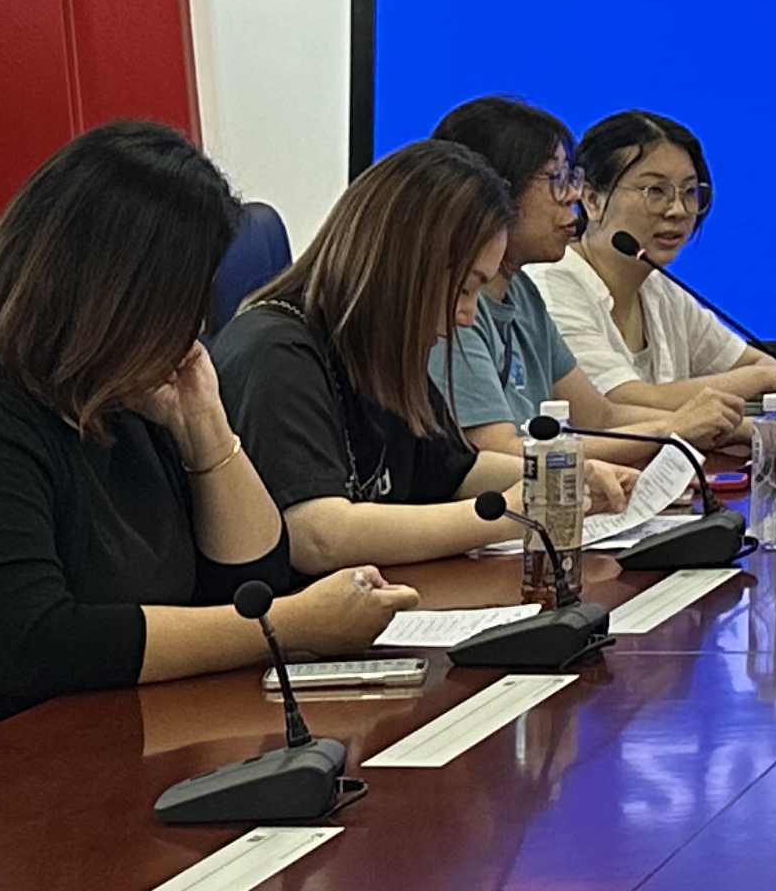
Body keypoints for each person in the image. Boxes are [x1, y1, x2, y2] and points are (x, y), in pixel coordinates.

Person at [0, 122, 415, 795]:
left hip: (40, 763)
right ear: (116, 298)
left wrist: (206, 431)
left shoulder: (117, 395)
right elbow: (38, 644)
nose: (193, 331)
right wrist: (285, 628)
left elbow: (248, 579)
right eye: (181, 304)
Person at [218, 141, 630, 573]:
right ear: (407, 264)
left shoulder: (381, 346)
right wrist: (513, 512)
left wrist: (562, 474)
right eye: (465, 289)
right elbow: (317, 534)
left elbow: (455, 473)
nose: (467, 317)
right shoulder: (276, 351)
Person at [434, 94, 722, 451]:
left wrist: (723, 427)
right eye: (555, 179)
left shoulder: (522, 292)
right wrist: (673, 430)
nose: (572, 195)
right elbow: (500, 452)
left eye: (570, 177)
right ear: (493, 190)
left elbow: (599, 417)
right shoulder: (450, 309)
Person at [536, 109, 776, 430]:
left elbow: (751, 360)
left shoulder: (659, 287)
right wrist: (760, 379)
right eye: (655, 191)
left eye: (689, 192)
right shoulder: (551, 286)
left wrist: (766, 376)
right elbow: (620, 403)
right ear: (592, 200)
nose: (677, 210)